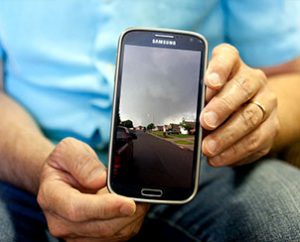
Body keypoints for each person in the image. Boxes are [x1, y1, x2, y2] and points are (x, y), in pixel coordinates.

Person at [0, 1, 300, 241]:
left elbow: (291, 76)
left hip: (198, 162)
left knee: (290, 219)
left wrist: (258, 117)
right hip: (24, 153)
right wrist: (38, 168)